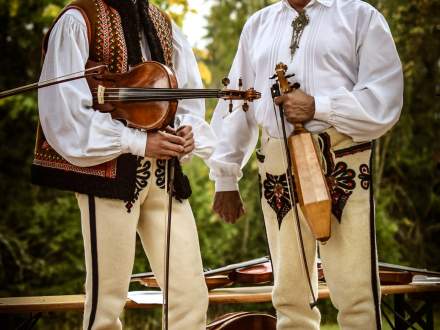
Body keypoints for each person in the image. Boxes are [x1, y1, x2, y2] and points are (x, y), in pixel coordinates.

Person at [209, 0, 403, 329]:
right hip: (275, 161)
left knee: (356, 290)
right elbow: (237, 100)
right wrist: (225, 177)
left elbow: (385, 97)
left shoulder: (359, 16)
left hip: (340, 158)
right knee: (289, 293)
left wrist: (319, 106)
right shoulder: (258, 24)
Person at [32, 0, 215, 329]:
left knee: (190, 296)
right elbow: (63, 112)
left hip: (164, 177)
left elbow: (185, 96)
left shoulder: (163, 23)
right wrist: (139, 142)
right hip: (108, 175)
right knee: (107, 304)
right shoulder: (79, 19)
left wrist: (188, 132)